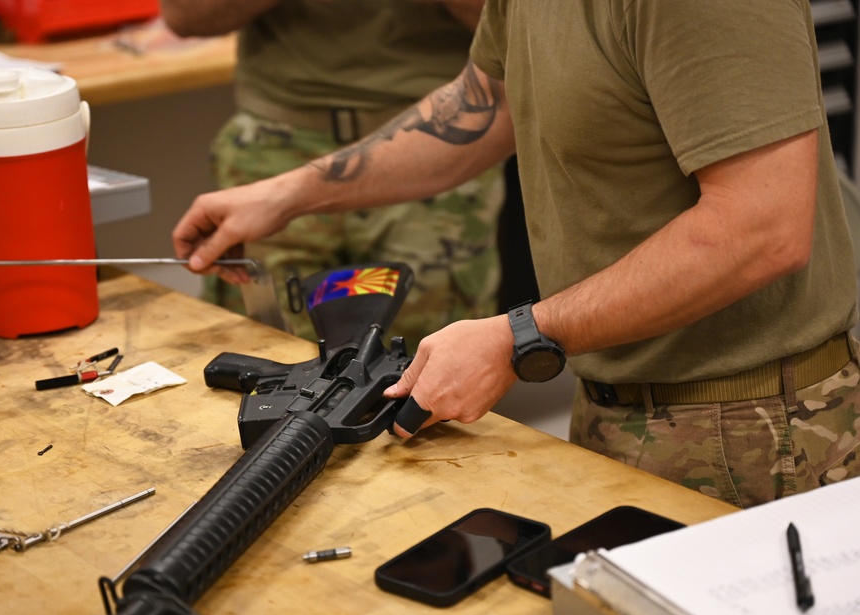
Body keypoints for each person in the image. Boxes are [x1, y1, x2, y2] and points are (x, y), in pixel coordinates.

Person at [172, 0, 860, 508]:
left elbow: (761, 226)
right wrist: (292, 192)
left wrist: (518, 336)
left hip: (758, 424)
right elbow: (484, 102)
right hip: (615, 397)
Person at [159, 0, 506, 345]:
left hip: (443, 145)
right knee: (265, 354)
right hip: (275, 143)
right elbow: (186, 16)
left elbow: (513, 43)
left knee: (426, 364)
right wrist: (286, 196)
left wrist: (287, 196)